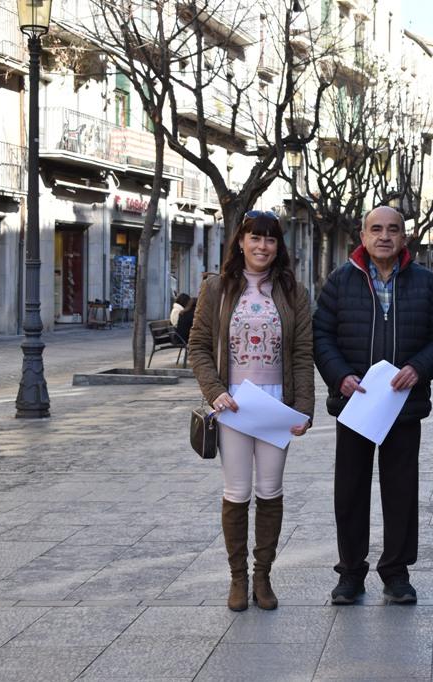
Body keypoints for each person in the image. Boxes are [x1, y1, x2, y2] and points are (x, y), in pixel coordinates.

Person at [314, 206, 433, 605]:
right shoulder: (340, 282)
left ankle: (396, 572)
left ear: (404, 237)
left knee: (400, 490)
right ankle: (350, 573)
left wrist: (419, 368)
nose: (384, 236)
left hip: (403, 406)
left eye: (393, 230)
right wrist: (339, 375)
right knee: (350, 491)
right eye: (376, 229)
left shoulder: (427, 284)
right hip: (355, 403)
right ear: (362, 235)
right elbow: (321, 335)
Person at [187, 210, 314, 612]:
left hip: (276, 406)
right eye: (254, 238)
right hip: (235, 407)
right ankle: (237, 579)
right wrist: (214, 392)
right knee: (237, 492)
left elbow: (302, 353)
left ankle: (263, 576)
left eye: (271, 239)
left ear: (279, 246)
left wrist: (304, 408)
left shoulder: (294, 291)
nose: (262, 246)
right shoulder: (217, 289)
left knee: (270, 490)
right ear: (240, 241)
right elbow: (199, 346)